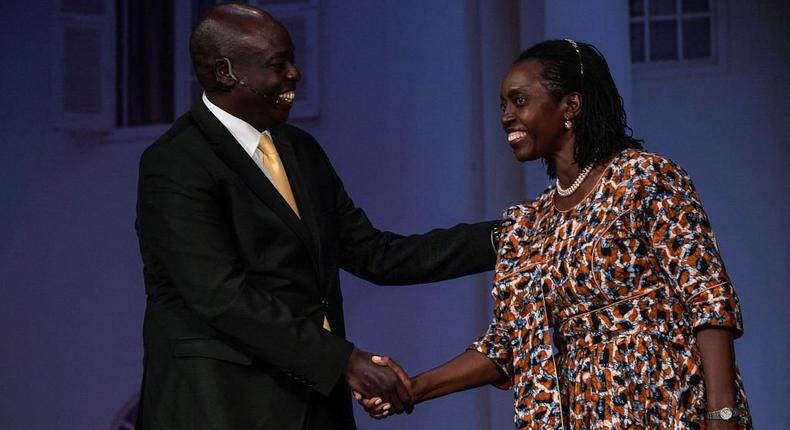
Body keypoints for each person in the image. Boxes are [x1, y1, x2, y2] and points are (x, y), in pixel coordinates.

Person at [134, 4, 496, 429]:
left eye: (293, 60)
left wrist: (512, 235)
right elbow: (221, 296)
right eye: (278, 64)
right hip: (222, 406)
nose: (295, 74)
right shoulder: (176, 162)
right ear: (225, 72)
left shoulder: (300, 150)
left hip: (315, 403)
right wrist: (344, 360)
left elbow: (376, 254)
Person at [361, 39, 751, 429]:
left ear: (570, 106)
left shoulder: (644, 179)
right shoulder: (528, 225)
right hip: (584, 414)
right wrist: (414, 388)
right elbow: (505, 346)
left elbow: (707, 297)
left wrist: (722, 413)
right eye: (503, 105)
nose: (506, 117)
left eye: (519, 101)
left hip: (666, 402)